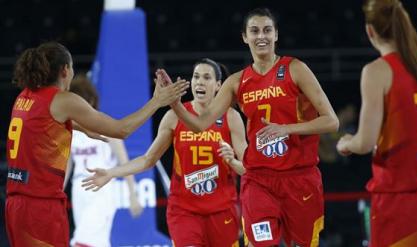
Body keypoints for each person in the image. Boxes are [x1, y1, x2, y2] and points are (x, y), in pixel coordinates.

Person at [157, 8, 338, 247]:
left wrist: (287, 129)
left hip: (299, 177)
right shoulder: (236, 82)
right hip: (259, 179)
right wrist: (175, 104)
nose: (261, 36)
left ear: (276, 35)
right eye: (254, 31)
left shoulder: (295, 69)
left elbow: (331, 121)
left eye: (267, 30)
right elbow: (200, 124)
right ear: (245, 37)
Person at [5, 42, 188, 246]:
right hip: (40, 206)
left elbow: (41, 123)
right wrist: (157, 101)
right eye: (72, 67)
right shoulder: (63, 99)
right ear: (65, 70)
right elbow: (122, 130)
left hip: (16, 202)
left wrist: (82, 127)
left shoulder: (24, 97)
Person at [336, 0, 417, 246]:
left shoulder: (377, 71)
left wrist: (346, 144)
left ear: (370, 31)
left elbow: (365, 142)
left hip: (397, 202)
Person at [81, 58, 248, 247]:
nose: (199, 82)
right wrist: (111, 173)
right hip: (185, 211)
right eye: (196, 77)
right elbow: (147, 160)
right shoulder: (174, 117)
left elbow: (248, 168)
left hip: (222, 211)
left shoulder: (231, 118)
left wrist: (233, 161)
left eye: (206, 77)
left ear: (218, 85)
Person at [65, 75, 144, 247]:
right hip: (79, 191)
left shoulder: (107, 126)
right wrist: (56, 191)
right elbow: (68, 164)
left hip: (102, 190)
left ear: (91, 100)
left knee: (83, 240)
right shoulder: (70, 130)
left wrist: (133, 194)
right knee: (98, 242)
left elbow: (125, 162)